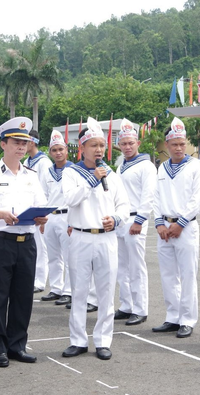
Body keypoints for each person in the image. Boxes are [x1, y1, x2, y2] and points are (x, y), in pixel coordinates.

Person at [0, 117, 47, 368]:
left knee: (23, 296)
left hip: (27, 241)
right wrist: (1, 214)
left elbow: (40, 208)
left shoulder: (32, 176)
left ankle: (17, 345)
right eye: (16, 142)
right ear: (3, 144)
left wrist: (42, 217)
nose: (21, 147)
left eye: (24, 142)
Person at [61, 117, 130, 360]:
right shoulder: (71, 173)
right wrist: (92, 180)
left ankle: (103, 340)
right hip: (80, 237)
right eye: (94, 145)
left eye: (102, 145)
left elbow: (124, 206)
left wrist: (116, 219)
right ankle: (78, 340)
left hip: (106, 239)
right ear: (82, 148)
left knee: (105, 291)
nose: (99, 149)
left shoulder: (112, 175)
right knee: (79, 291)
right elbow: (69, 199)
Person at [151, 117, 200, 338]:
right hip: (164, 227)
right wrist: (159, 223)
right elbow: (156, 197)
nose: (178, 148)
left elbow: (197, 200)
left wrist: (180, 223)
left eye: (182, 143)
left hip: (186, 228)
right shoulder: (163, 168)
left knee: (187, 274)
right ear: (167, 145)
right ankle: (172, 317)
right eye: (174, 144)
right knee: (167, 275)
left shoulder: (197, 167)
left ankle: (187, 319)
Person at [113, 118, 157, 326]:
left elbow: (149, 196)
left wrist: (140, 220)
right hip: (121, 219)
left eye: (131, 143)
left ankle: (140, 309)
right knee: (121, 266)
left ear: (138, 143)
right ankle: (126, 305)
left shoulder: (146, 166)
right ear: (119, 146)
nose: (128, 147)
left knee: (136, 266)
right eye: (124, 144)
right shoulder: (121, 165)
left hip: (135, 220)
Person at [39, 130, 75, 305]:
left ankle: (68, 290)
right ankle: (55, 288)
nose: (58, 153)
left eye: (61, 149)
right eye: (54, 150)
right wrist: (42, 218)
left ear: (66, 150)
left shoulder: (75, 170)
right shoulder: (47, 172)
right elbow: (44, 196)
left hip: (67, 216)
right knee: (53, 256)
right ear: (50, 152)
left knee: (69, 256)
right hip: (51, 216)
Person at [24, 129, 52, 293]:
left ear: (32, 142)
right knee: (33, 247)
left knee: (41, 248)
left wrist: (43, 213)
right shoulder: (28, 161)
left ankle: (40, 281)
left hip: (39, 210)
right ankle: (33, 277)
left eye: (24, 141)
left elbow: (46, 189)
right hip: (29, 209)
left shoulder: (43, 162)